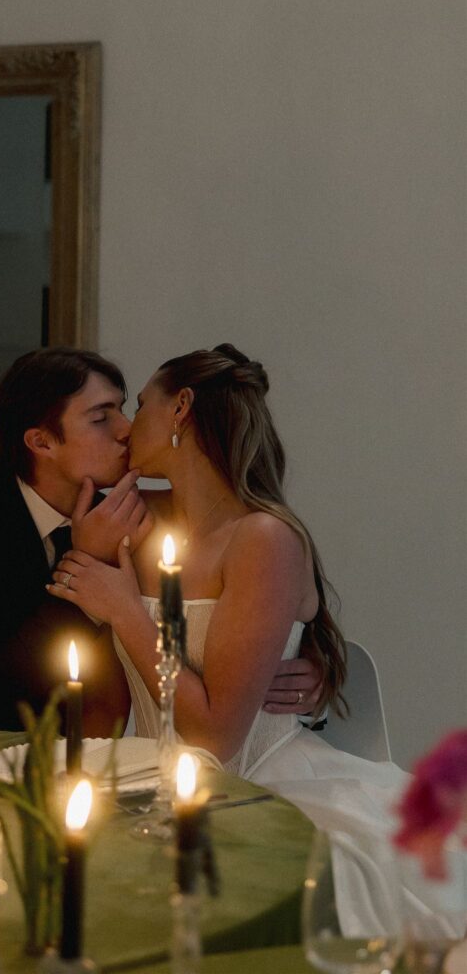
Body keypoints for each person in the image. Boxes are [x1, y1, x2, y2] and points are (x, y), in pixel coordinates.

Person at [46, 344, 415, 841]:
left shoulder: (263, 539)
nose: (128, 427)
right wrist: (90, 552)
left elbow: (215, 740)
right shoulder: (133, 519)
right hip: (145, 781)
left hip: (253, 786)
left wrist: (126, 611)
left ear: (180, 408)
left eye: (138, 407)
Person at [0, 346, 321, 734]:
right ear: (41, 441)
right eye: (102, 417)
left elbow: (280, 608)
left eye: (126, 408)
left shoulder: (144, 519)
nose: (125, 430)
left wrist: (318, 669)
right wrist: (89, 558)